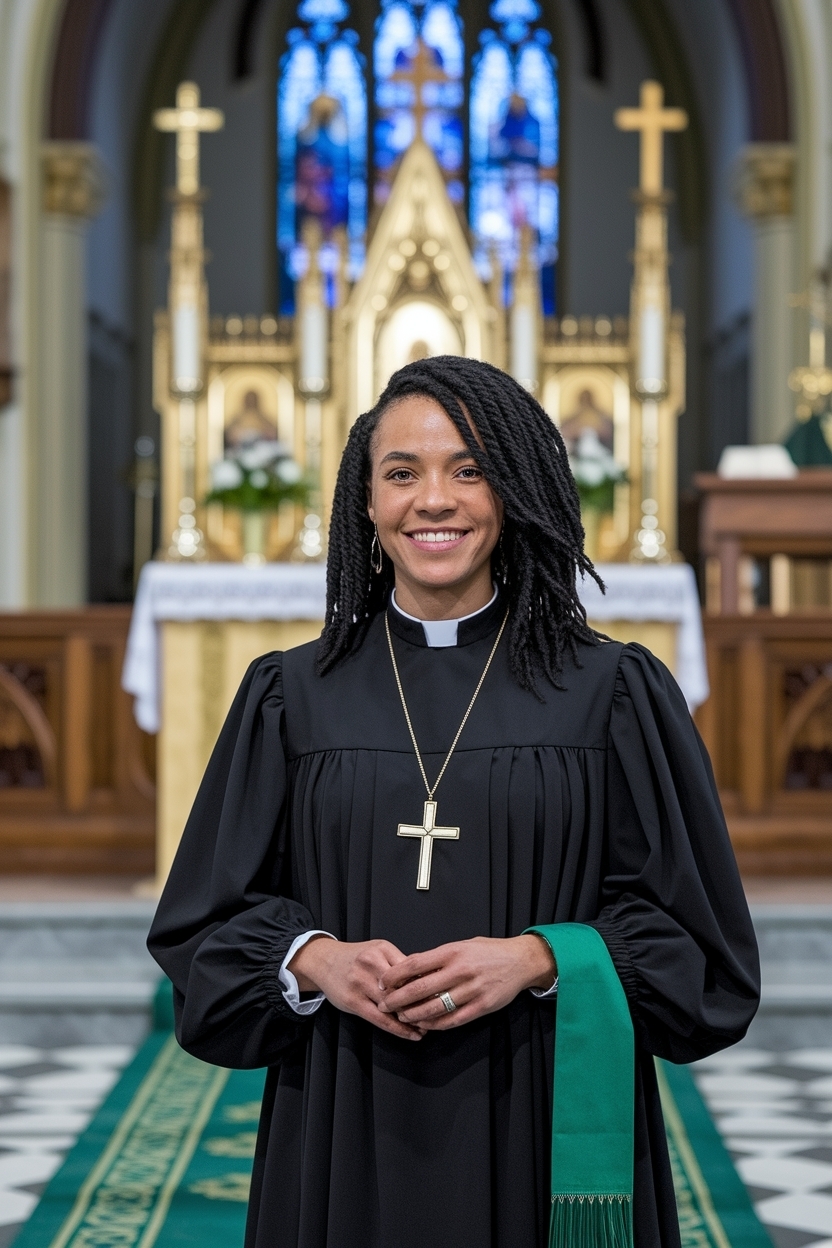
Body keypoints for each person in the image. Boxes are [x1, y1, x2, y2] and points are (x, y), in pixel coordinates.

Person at [148, 355, 760, 1248]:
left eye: (469, 469)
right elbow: (201, 926)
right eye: (401, 474)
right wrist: (313, 959)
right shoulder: (292, 694)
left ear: (515, 490)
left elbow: (700, 947)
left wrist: (541, 959)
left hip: (542, 1100)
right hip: (343, 1105)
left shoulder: (610, 691)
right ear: (366, 502)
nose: (433, 500)